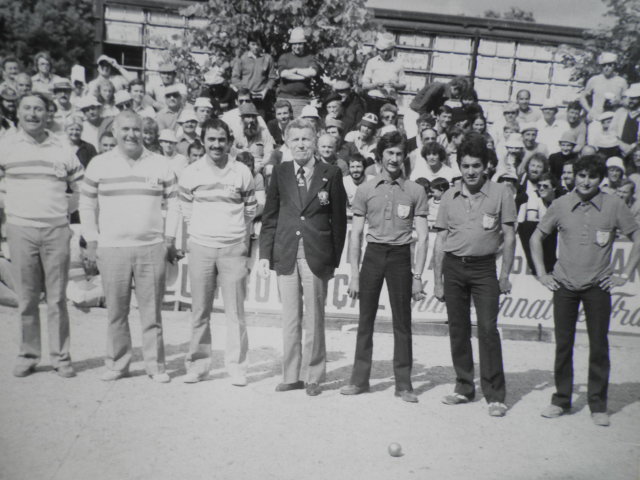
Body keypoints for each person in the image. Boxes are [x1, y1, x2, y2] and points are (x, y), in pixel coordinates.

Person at [530, 154, 640, 426]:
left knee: (599, 345)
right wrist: (542, 274)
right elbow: (536, 237)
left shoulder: (614, 205)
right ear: (574, 176)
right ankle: (561, 399)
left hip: (598, 286)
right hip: (565, 285)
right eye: (581, 175)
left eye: (592, 176)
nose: (586, 181)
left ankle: (598, 404)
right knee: (563, 345)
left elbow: (637, 237)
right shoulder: (561, 203)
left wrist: (624, 275)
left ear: (601, 179)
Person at [79, 110, 180, 383]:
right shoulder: (99, 164)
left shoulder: (160, 164)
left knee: (152, 312)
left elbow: (174, 205)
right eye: (124, 129)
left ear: (144, 132)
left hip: (151, 247)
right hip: (112, 249)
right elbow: (86, 203)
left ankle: (155, 366)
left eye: (136, 129)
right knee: (116, 311)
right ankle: (117, 364)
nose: (131, 135)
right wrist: (92, 238)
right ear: (114, 132)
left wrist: (168, 239)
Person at [258, 118, 347, 396]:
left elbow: (339, 221)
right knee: (290, 318)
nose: (301, 144)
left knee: (314, 318)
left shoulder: (330, 173)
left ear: (315, 141)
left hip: (316, 254)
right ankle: (291, 375)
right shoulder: (281, 172)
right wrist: (264, 254)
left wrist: (333, 260)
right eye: (295, 139)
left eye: (306, 139)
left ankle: (313, 376)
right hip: (285, 253)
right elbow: (270, 216)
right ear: (286, 142)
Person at [340, 131, 429, 403]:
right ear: (380, 157)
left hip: (401, 256)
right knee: (365, 320)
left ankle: (403, 384)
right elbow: (355, 234)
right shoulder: (365, 189)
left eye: (399, 153)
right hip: (374, 255)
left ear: (404, 157)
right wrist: (354, 274)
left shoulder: (415, 191)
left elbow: (423, 237)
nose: (394, 158)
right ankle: (359, 380)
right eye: (389, 153)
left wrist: (417, 276)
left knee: (403, 322)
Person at [0, 92, 84, 379]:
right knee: (27, 298)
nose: (33, 114)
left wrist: (62, 210)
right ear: (18, 112)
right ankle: (28, 355)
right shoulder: (6, 146)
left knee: (58, 298)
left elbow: (81, 188)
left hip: (56, 230)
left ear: (48, 114)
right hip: (20, 229)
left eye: (38, 109)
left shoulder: (62, 147)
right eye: (27, 108)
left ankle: (61, 357)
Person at [432, 132, 517, 417]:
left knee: (488, 329)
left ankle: (495, 394)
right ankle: (464, 387)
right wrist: (437, 280)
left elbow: (509, 235)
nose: (471, 171)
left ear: (486, 166)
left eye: (476, 166)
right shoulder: (448, 196)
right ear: (459, 166)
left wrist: (505, 274)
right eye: (466, 166)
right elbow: (440, 239)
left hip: (483, 270)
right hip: (454, 268)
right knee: (458, 329)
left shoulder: (501, 193)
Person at [177, 118, 257, 385]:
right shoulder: (191, 172)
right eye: (211, 139)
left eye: (222, 139)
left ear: (229, 141)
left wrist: (239, 239)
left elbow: (250, 211)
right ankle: (198, 365)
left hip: (233, 248)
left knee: (236, 312)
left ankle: (237, 366)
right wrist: (203, 233)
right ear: (203, 141)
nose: (217, 145)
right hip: (201, 247)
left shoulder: (242, 172)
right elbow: (186, 211)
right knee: (200, 310)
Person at [275, 27, 320, 118]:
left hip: (301, 100)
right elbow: (283, 74)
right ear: (291, 44)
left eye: (300, 44)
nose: (297, 46)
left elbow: (313, 72)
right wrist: (303, 76)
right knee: (283, 125)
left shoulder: (309, 57)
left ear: (304, 44)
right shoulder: (285, 57)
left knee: (299, 127)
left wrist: (295, 71)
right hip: (284, 98)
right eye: (294, 44)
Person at [231, 31, 277, 118]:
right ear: (248, 44)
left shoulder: (267, 58)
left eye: (258, 45)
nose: (256, 47)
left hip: (261, 98)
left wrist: (265, 90)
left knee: (260, 122)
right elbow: (235, 78)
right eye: (253, 44)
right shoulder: (242, 58)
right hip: (245, 98)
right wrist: (245, 90)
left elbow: (272, 78)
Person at [579, 52, 628, 122]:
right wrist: (589, 111)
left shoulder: (622, 81)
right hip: (596, 117)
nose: (606, 68)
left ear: (614, 66)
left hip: (614, 118)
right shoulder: (594, 79)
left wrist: (619, 102)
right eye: (604, 65)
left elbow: (627, 101)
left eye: (609, 65)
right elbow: (582, 97)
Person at [610, 83, 640, 155]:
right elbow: (612, 131)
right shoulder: (620, 112)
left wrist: (633, 147)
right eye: (629, 98)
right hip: (619, 148)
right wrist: (621, 144)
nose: (630, 101)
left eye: (634, 98)